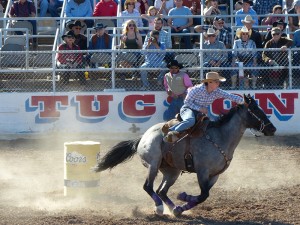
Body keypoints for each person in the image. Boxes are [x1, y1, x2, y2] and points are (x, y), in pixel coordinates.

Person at [163, 71, 244, 143]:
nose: (218, 83)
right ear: (209, 82)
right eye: (216, 82)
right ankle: (171, 131)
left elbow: (230, 96)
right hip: (188, 109)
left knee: (210, 126)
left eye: (218, 82)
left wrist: (244, 101)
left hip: (200, 113)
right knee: (190, 120)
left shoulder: (217, 91)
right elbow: (187, 102)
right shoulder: (197, 89)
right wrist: (200, 108)